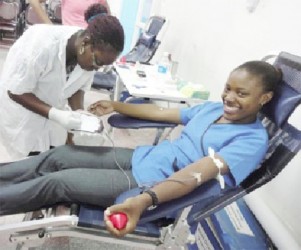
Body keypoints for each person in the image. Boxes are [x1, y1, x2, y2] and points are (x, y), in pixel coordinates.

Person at [0, 61, 282, 237]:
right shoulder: (212, 109)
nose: (229, 98)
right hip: (143, 157)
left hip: (151, 183)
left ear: (264, 98)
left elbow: (198, 173)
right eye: (228, 88)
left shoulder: (251, 141)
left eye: (241, 93)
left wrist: (144, 200)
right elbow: (161, 112)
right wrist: (116, 105)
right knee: (59, 156)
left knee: (57, 182)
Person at [0, 4, 124, 159]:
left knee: (50, 160)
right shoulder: (40, 45)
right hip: (23, 117)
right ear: (85, 43)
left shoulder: (90, 57)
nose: (96, 69)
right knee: (26, 166)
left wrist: (80, 113)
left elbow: (77, 87)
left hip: (52, 118)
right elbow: (15, 91)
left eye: (103, 66)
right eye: (97, 62)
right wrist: (57, 115)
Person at [28, 0, 111, 27]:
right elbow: (34, 1)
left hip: (93, 44)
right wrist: (50, 26)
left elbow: (109, 18)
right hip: (72, 43)